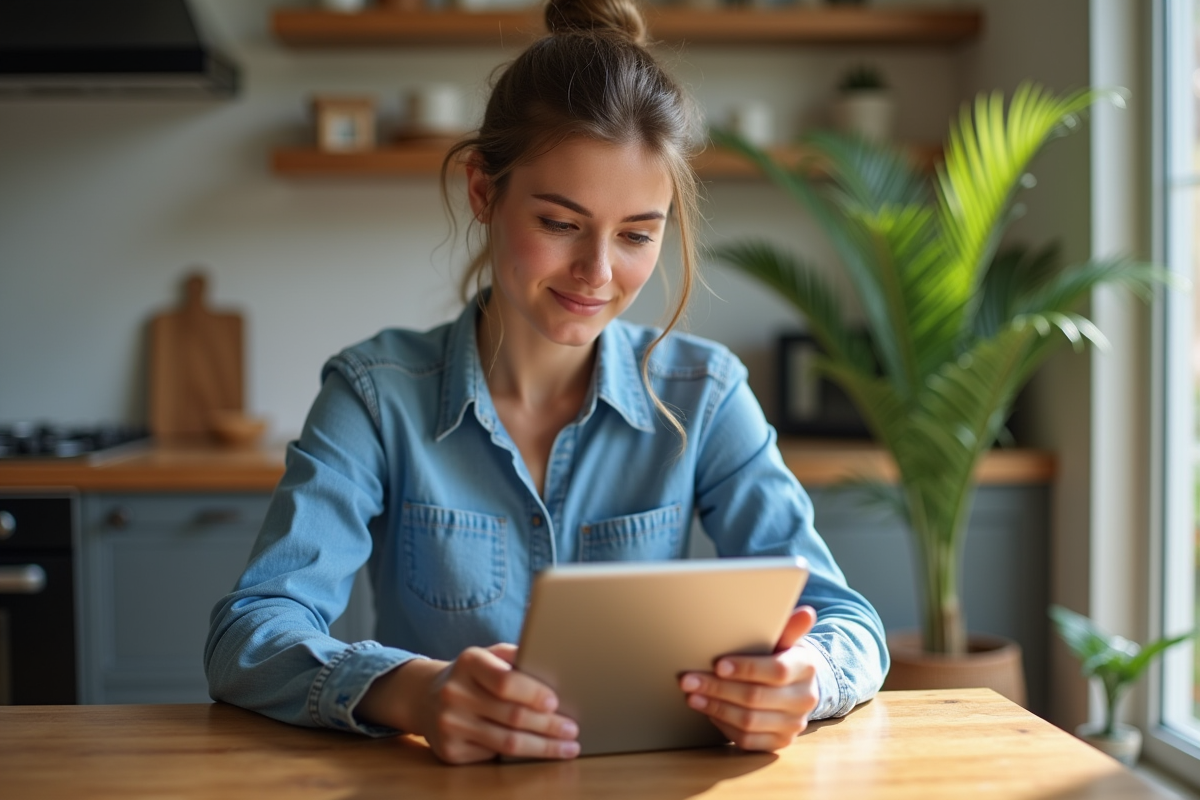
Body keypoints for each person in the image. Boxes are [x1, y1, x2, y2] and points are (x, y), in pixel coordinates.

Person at [205, 0, 887, 765]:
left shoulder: (707, 393)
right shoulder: (374, 395)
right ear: (483, 193)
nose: (598, 273)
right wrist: (416, 692)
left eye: (636, 235)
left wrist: (807, 674)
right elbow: (250, 632)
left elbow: (846, 620)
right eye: (561, 223)